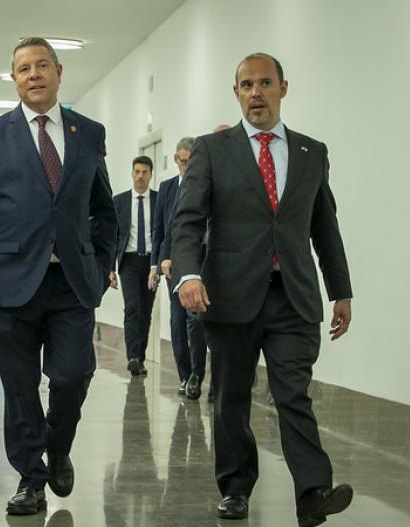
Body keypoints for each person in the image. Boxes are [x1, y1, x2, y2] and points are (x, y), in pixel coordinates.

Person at [171, 53, 354, 526]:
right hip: (229, 296)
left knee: (293, 393)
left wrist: (341, 290)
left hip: (292, 295)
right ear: (236, 93)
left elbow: (324, 227)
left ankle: (313, 491)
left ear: (283, 88)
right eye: (246, 85)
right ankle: (235, 488)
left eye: (265, 83)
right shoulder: (214, 149)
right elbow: (188, 220)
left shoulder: (312, 152)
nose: (256, 92)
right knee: (231, 395)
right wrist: (189, 275)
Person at [0, 37, 117, 516]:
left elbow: (103, 209)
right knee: (20, 386)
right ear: (14, 79)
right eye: (23, 68)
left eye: (42, 65)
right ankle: (31, 478)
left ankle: (58, 442)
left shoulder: (88, 132)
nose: (33, 75)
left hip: (72, 281)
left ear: (59, 72)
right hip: (9, 281)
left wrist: (102, 261)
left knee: (73, 374)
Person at [149, 137, 209, 398]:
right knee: (177, 322)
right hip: (173, 263)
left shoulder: (207, 185)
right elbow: (161, 229)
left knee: (196, 321)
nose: (187, 167)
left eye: (191, 162)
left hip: (203, 260)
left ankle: (197, 374)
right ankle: (184, 375)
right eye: (183, 162)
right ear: (176, 160)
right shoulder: (167, 188)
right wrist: (158, 262)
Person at [109, 156, 157, 377]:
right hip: (128, 261)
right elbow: (112, 236)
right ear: (132, 173)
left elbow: (164, 232)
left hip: (151, 263)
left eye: (144, 172)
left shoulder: (159, 200)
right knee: (132, 308)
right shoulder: (119, 201)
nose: (140, 176)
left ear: (150, 174)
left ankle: (141, 358)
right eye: (136, 171)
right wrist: (110, 267)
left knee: (145, 312)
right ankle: (133, 357)